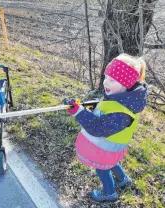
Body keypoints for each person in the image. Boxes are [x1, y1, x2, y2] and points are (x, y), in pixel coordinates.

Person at [64, 53, 147, 202]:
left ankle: (109, 192)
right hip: (110, 148)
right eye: (106, 78)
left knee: (102, 168)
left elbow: (98, 128)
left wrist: (79, 112)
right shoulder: (120, 96)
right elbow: (106, 110)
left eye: (112, 80)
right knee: (111, 163)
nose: (105, 83)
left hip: (105, 149)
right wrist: (87, 108)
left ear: (125, 84)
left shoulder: (122, 112)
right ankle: (123, 180)